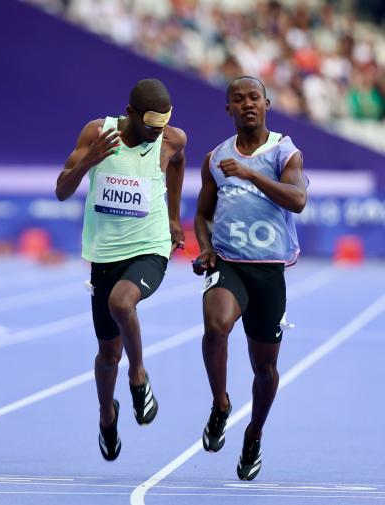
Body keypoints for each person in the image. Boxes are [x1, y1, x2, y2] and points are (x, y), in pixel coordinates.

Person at [56, 78, 186, 461]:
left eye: (163, 125)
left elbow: (177, 164)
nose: (157, 133)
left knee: (122, 301)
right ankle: (106, 415)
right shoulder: (99, 133)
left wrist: (175, 219)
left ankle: (139, 376)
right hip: (105, 255)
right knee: (108, 353)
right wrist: (89, 160)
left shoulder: (172, 139)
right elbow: (62, 190)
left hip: (150, 248)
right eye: (150, 126)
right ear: (129, 114)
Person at [193, 76, 307, 480]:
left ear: (267, 103)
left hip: (269, 272)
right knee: (215, 324)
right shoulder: (215, 158)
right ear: (228, 109)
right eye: (238, 100)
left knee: (265, 369)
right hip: (229, 262)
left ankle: (254, 433)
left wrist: (250, 174)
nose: (247, 104)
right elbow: (202, 216)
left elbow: (298, 200)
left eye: (253, 97)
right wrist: (205, 248)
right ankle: (220, 404)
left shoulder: (284, 151)